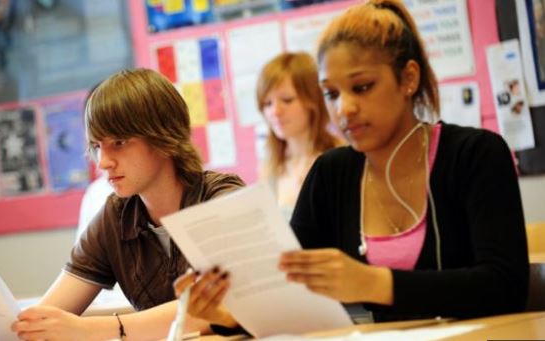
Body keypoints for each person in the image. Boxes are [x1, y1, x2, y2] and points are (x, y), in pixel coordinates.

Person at [175, 0, 529, 333]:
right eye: (331, 93)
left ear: (408, 78)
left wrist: (373, 282)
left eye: (362, 87)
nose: (344, 109)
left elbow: (504, 286)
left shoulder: (474, 154)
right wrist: (226, 315)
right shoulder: (332, 172)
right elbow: (291, 296)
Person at [0, 68, 245, 341]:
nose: (103, 162)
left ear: (164, 137)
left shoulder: (221, 198)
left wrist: (94, 330)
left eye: (119, 143)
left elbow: (224, 306)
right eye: (96, 146)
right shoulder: (115, 216)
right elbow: (47, 316)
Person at [257, 52, 341, 218]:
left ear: (313, 101)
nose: (275, 111)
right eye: (267, 103)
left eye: (287, 100)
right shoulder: (271, 166)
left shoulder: (339, 158)